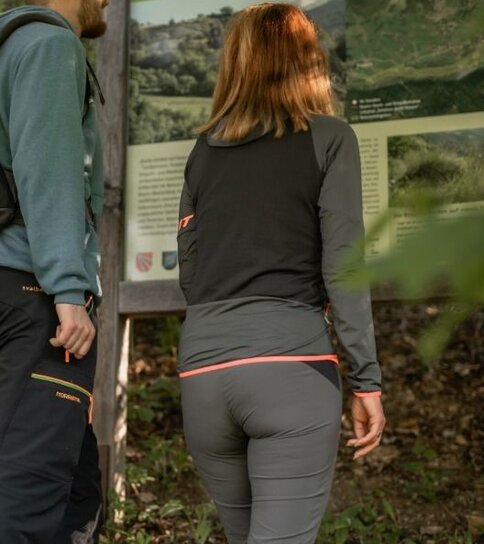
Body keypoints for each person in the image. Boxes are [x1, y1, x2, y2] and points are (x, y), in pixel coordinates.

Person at [176, 4, 385, 543]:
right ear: (308, 61)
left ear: (236, 63)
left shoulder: (203, 151)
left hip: (202, 377)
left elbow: (191, 273)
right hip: (291, 371)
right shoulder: (330, 138)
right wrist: (366, 380)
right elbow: (344, 267)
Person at [0, 1, 108, 542]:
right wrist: (67, 289)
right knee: (29, 490)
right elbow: (51, 171)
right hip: (37, 290)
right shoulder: (49, 46)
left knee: (75, 494)